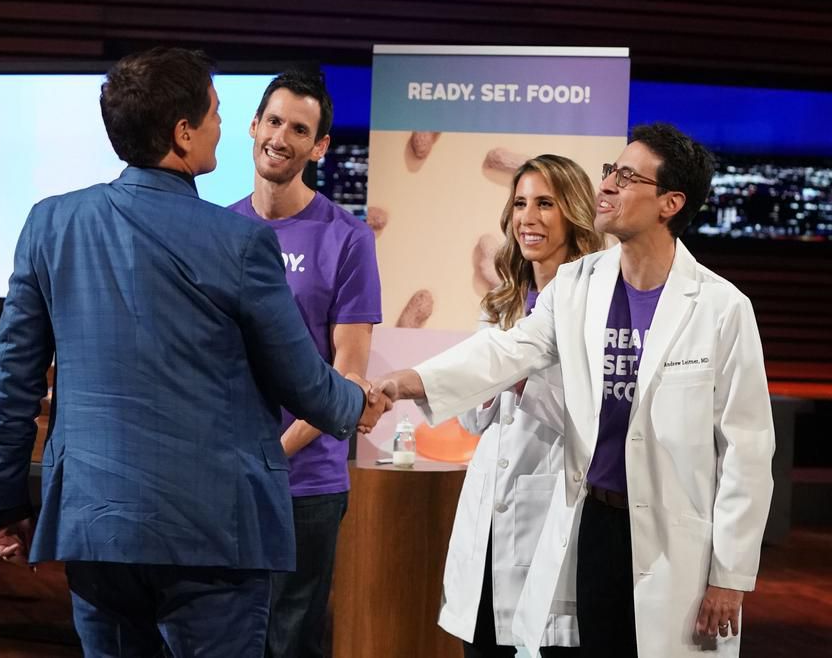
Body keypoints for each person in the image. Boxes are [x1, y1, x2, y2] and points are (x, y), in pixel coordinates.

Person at [0, 47, 390, 658]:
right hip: (214, 535)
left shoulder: (50, 224)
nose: (223, 125)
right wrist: (357, 402)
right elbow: (303, 382)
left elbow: (11, 382)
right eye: (216, 112)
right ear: (183, 133)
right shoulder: (240, 242)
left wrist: (5, 501)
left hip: (96, 528)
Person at [371, 123, 775, 658]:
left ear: (670, 203)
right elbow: (506, 351)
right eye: (610, 171)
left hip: (675, 541)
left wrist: (731, 575)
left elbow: (747, 452)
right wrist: (403, 382)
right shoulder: (577, 285)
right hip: (593, 527)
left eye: (626, 177)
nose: (606, 185)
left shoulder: (722, 308)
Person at [229, 70, 382, 658]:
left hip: (306, 484)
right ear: (253, 126)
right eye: (274, 121)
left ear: (319, 147)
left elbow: (347, 377)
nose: (281, 137)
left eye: (299, 129)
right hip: (223, 478)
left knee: (290, 643)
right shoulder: (218, 229)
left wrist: (271, 454)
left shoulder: (348, 238)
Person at [442, 155, 601, 657]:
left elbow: (594, 420)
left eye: (545, 203)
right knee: (483, 642)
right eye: (520, 203)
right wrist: (489, 383)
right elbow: (472, 418)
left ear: (573, 213)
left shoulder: (597, 306)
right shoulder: (501, 303)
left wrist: (518, 378)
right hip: (489, 515)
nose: (528, 218)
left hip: (552, 508)